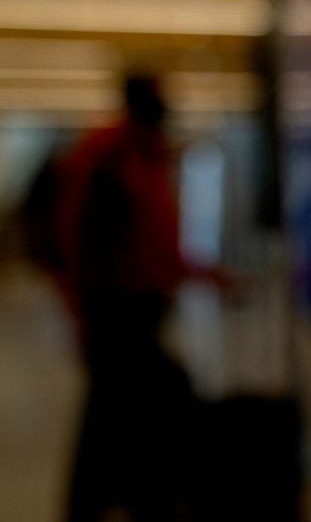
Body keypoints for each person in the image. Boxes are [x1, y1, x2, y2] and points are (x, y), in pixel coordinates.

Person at [51, 74, 199, 521]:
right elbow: (90, 240)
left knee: (126, 409)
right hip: (116, 309)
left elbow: (157, 239)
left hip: (137, 304)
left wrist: (194, 273)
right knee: (130, 405)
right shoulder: (113, 158)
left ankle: (137, 495)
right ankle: (125, 499)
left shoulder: (143, 155)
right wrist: (82, 310)